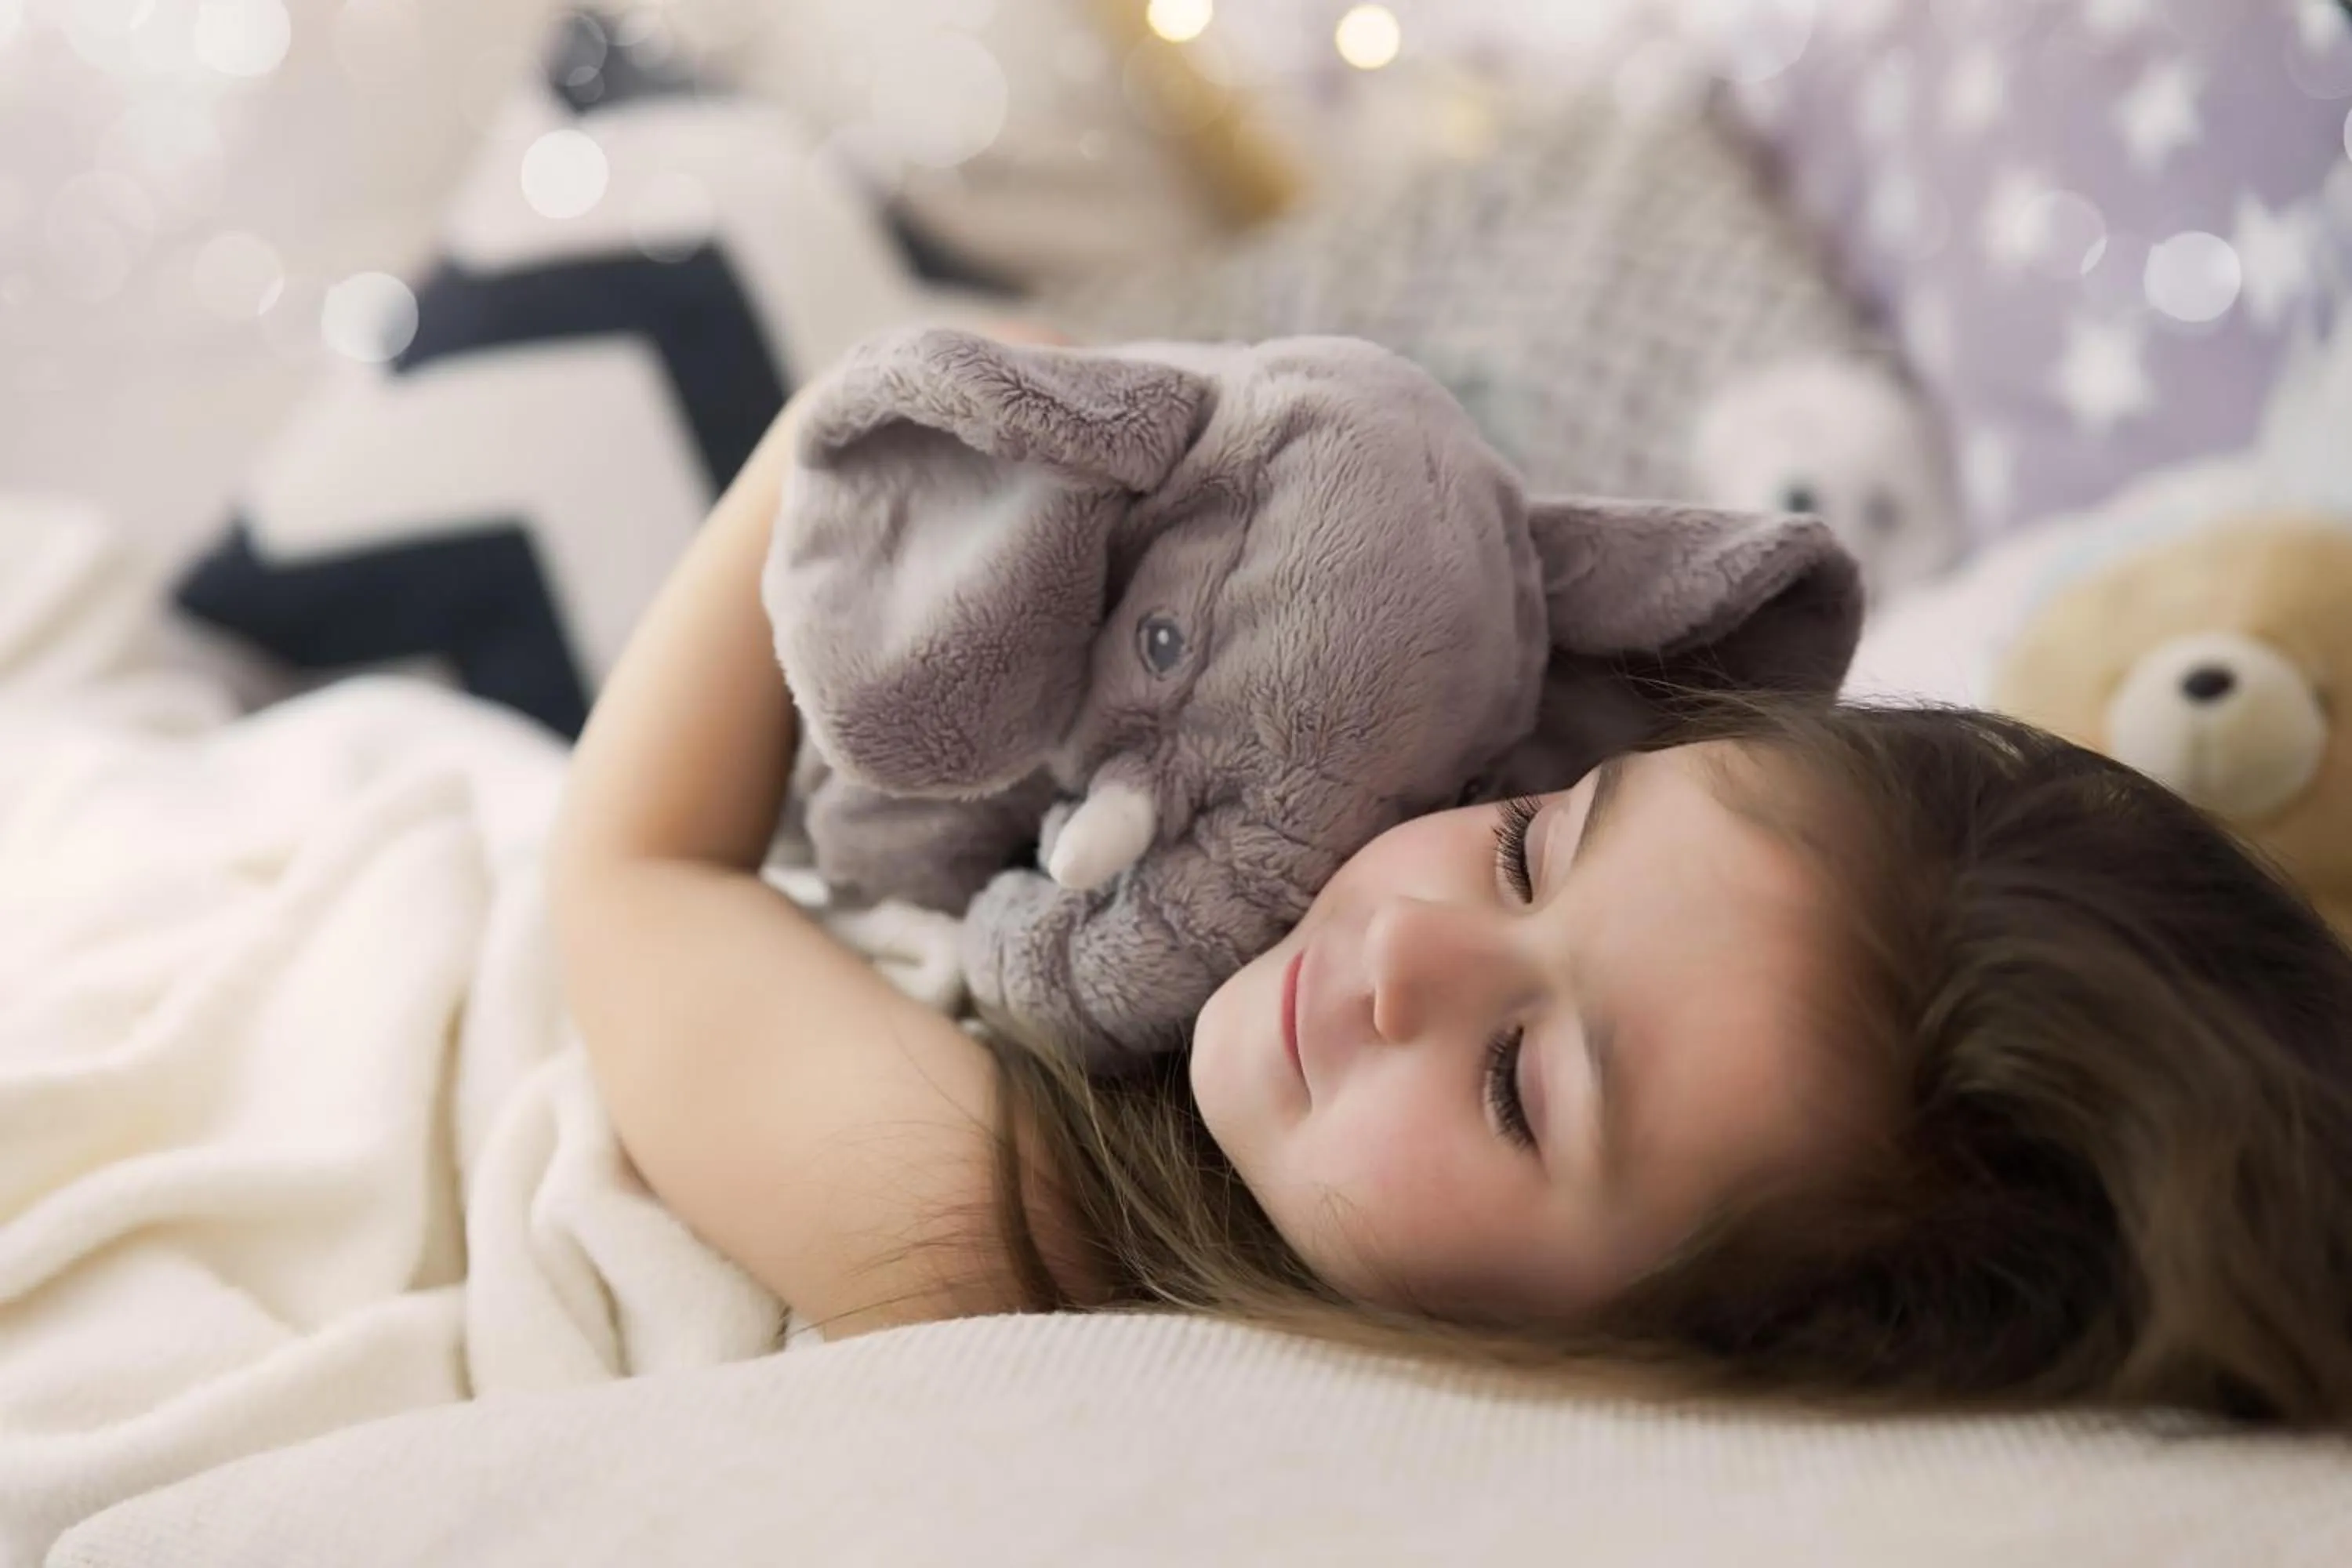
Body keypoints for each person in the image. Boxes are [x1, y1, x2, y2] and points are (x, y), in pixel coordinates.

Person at [550, 359, 2352, 1430]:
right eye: (1528, 842)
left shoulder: (995, 1229)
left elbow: (632, 869)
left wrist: (855, 418)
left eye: (1518, 1087)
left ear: (1646, 1352)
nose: (1403, 940)